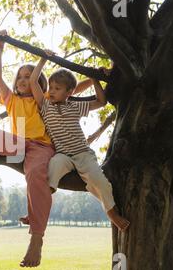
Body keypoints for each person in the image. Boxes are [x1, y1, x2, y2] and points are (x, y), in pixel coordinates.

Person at [0, 30, 92, 268]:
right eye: (20, 77)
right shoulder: (11, 99)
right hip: (16, 144)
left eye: (29, 77)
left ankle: (36, 239)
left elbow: (73, 88)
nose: (23, 80)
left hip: (41, 146)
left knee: (36, 173)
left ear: (40, 82)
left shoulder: (44, 98)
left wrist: (96, 76)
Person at [30, 54, 130, 231]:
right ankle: (38, 207)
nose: (51, 91)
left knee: (101, 182)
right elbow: (33, 83)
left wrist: (94, 79)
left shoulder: (75, 107)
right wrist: (43, 59)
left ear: (69, 93)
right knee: (52, 169)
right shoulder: (45, 106)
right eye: (51, 87)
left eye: (57, 88)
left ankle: (112, 213)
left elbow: (101, 101)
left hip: (83, 154)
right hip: (63, 155)